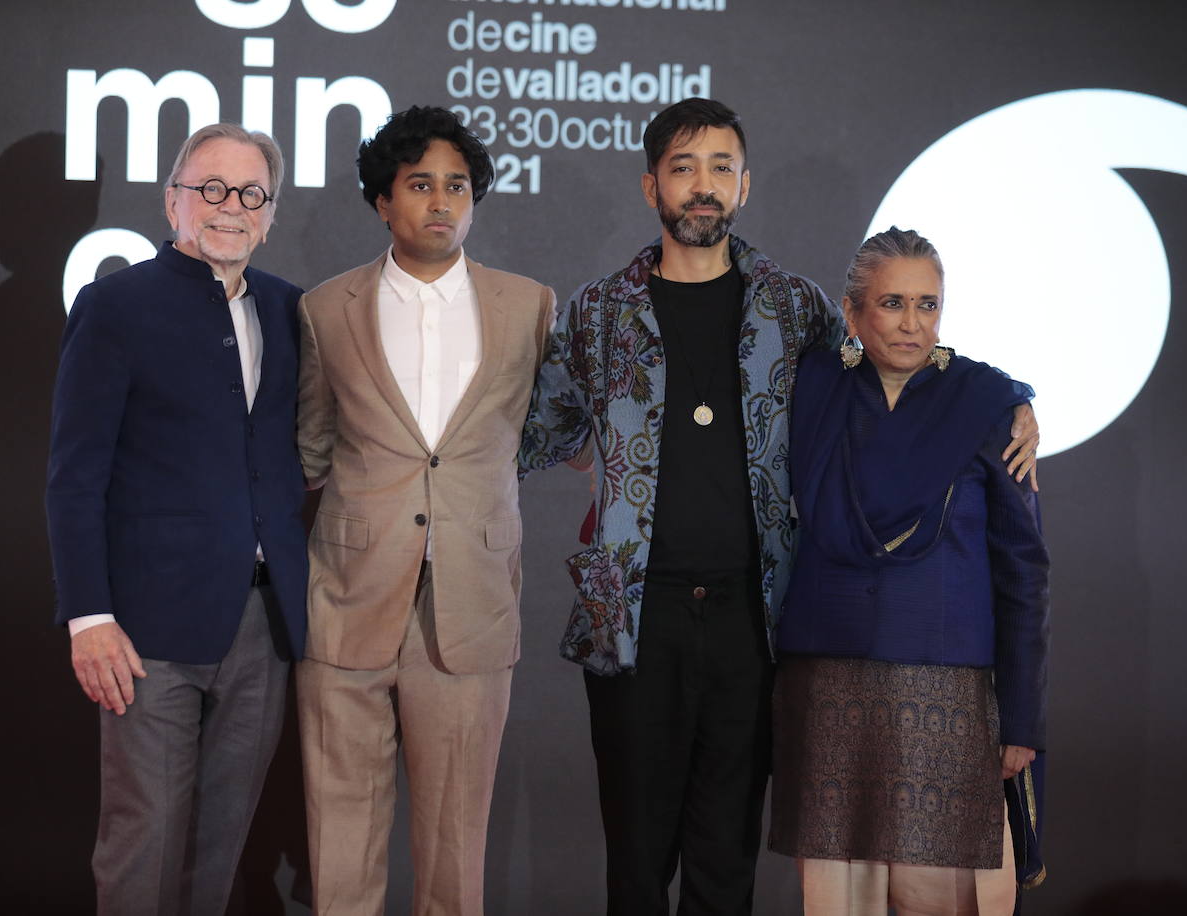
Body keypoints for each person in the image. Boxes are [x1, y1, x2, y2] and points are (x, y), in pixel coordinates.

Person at [519, 100, 1039, 914]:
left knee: (727, 856)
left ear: (745, 185)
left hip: (754, 617)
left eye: (721, 168)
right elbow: (530, 435)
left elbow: (891, 353)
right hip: (630, 616)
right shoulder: (594, 314)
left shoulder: (792, 307)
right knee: (634, 856)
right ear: (651, 183)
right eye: (685, 168)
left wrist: (1011, 399)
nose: (703, 187)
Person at [295, 105, 555, 915]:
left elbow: (546, 433)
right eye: (420, 185)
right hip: (347, 596)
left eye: (458, 186)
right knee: (341, 836)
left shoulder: (529, 306)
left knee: (454, 846)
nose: (442, 201)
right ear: (383, 201)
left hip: (471, 600)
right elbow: (310, 448)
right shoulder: (324, 309)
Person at [45, 123, 308, 916]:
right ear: (174, 200)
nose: (231, 208)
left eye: (251, 194)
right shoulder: (115, 306)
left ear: (270, 214)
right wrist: (88, 617)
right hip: (145, 632)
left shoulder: (293, 311)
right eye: (212, 189)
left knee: (219, 847)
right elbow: (74, 473)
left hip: (264, 625)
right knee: (144, 840)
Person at [768, 227, 1049, 916]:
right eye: (893, 303)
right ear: (852, 311)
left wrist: (1021, 717)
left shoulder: (987, 407)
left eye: (928, 305)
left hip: (949, 692)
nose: (912, 323)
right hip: (829, 683)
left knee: (951, 896)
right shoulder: (810, 391)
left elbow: (1023, 574)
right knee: (838, 892)